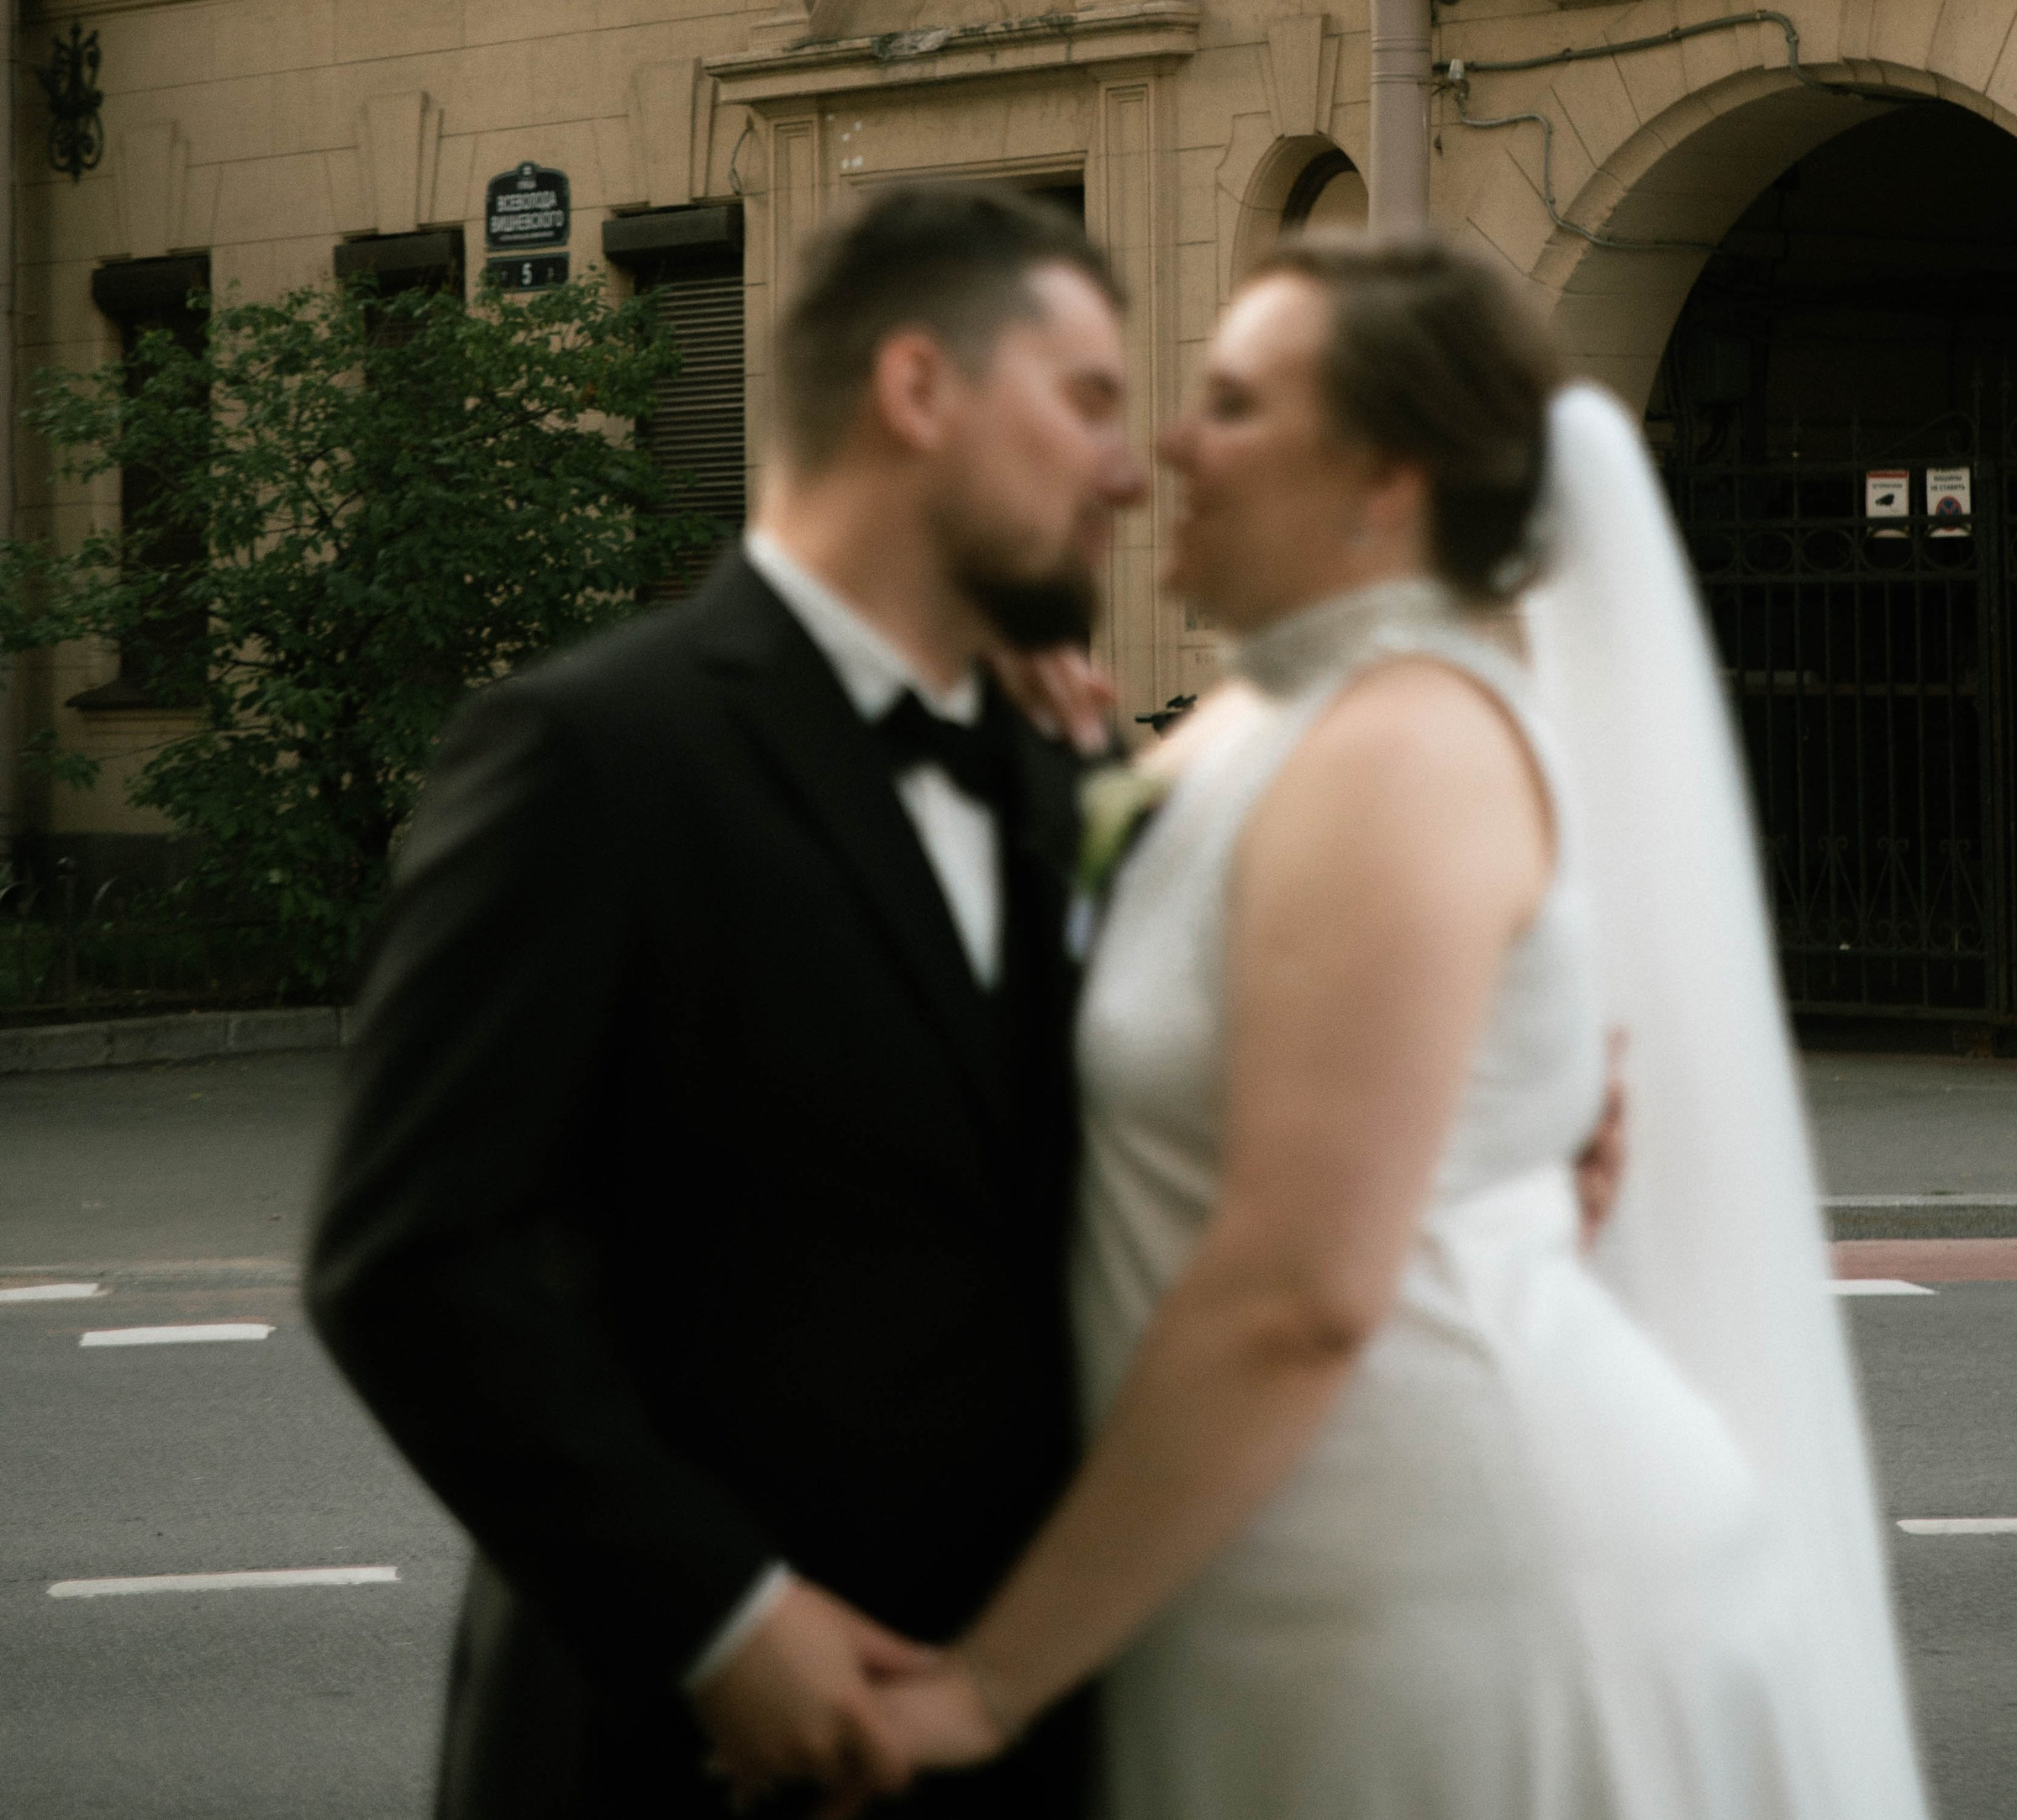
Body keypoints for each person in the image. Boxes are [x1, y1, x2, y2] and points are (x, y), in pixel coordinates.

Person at [871, 234, 1931, 1820]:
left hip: (1458, 1593)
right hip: (1302, 1575)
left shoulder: (1405, 749)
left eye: (1231, 405)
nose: (1169, 445)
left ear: (1384, 479)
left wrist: (985, 1686)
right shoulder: (1254, 721)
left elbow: (1299, 1292)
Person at [304, 181, 1145, 1820]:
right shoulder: (588, 757)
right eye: (1089, 398)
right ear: (918, 389)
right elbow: (404, 1252)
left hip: (1019, 1745)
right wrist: (716, 1615)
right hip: (670, 1755)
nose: (1128, 465)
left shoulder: (1061, 777)